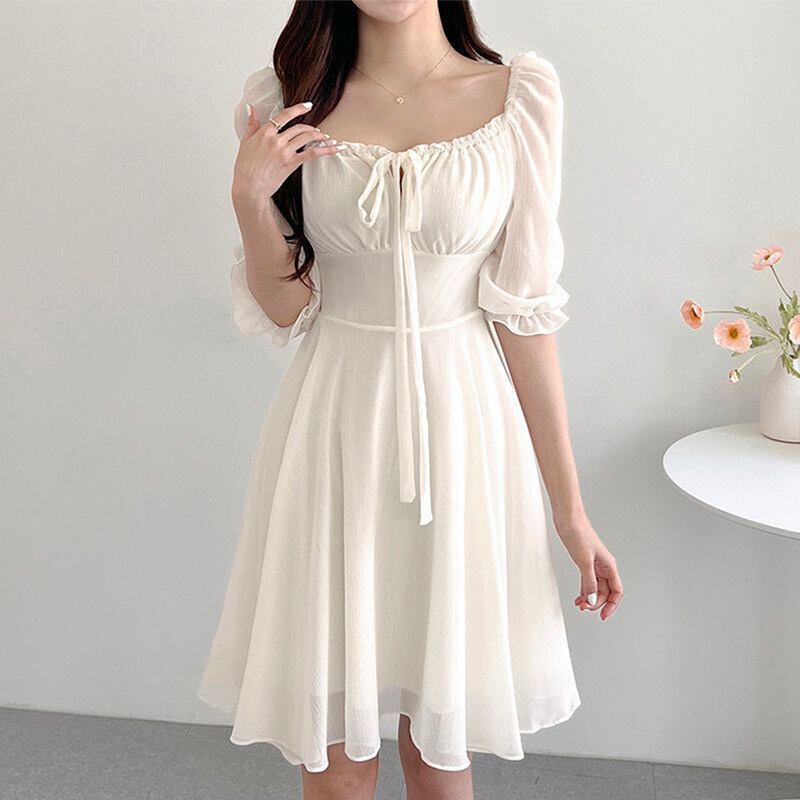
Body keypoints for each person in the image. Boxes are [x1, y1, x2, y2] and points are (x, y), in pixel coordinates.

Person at [198, 1, 624, 798]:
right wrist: (250, 201)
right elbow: (287, 310)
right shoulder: (282, 101)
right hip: (335, 430)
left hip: (464, 432)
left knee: (439, 753)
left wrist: (570, 513)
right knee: (334, 760)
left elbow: (526, 317)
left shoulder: (518, 97)